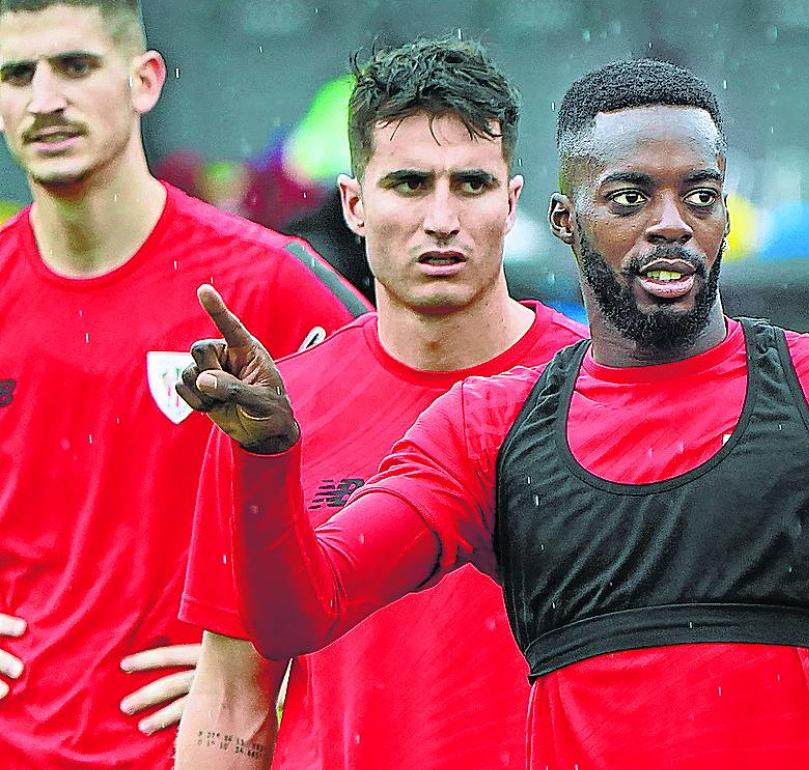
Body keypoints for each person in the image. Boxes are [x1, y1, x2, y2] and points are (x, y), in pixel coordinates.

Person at [179, 59, 809, 770]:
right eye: (629, 197)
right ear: (563, 219)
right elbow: (302, 612)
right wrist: (266, 460)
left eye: (698, 194)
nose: (670, 222)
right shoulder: (484, 427)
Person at [174, 38, 585, 770]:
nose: (441, 218)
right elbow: (234, 696)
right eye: (407, 183)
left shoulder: (596, 392)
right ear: (355, 205)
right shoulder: (274, 414)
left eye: (470, 184)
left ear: (512, 202)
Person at [0, 1, 367, 768]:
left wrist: (275, 663)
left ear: (145, 80)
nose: (43, 100)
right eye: (16, 74)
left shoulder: (263, 282)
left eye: (73, 67)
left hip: (197, 750)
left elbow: (418, 462)